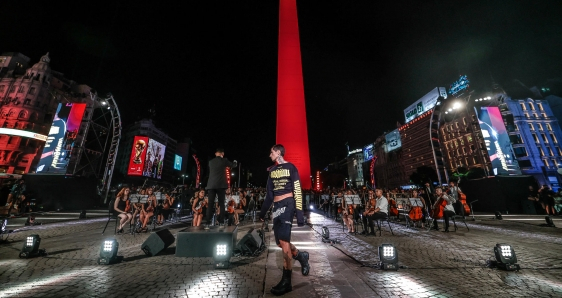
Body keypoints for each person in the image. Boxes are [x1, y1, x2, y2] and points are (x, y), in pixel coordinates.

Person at [259, 144, 310, 296]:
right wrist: (263, 212)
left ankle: (287, 281)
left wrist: (300, 215)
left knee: (284, 241)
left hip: (288, 204)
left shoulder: (291, 167)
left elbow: (297, 190)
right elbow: (269, 195)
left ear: (278, 152)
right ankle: (302, 256)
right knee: (280, 243)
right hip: (276, 207)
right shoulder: (272, 171)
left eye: (271, 152)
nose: (270, 155)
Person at [205, 148, 237, 228]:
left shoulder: (210, 162)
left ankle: (207, 223)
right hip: (221, 185)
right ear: (222, 153)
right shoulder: (224, 160)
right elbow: (233, 165)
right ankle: (221, 222)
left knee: (210, 204)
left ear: (215, 154)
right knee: (221, 204)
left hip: (211, 185)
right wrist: (235, 161)